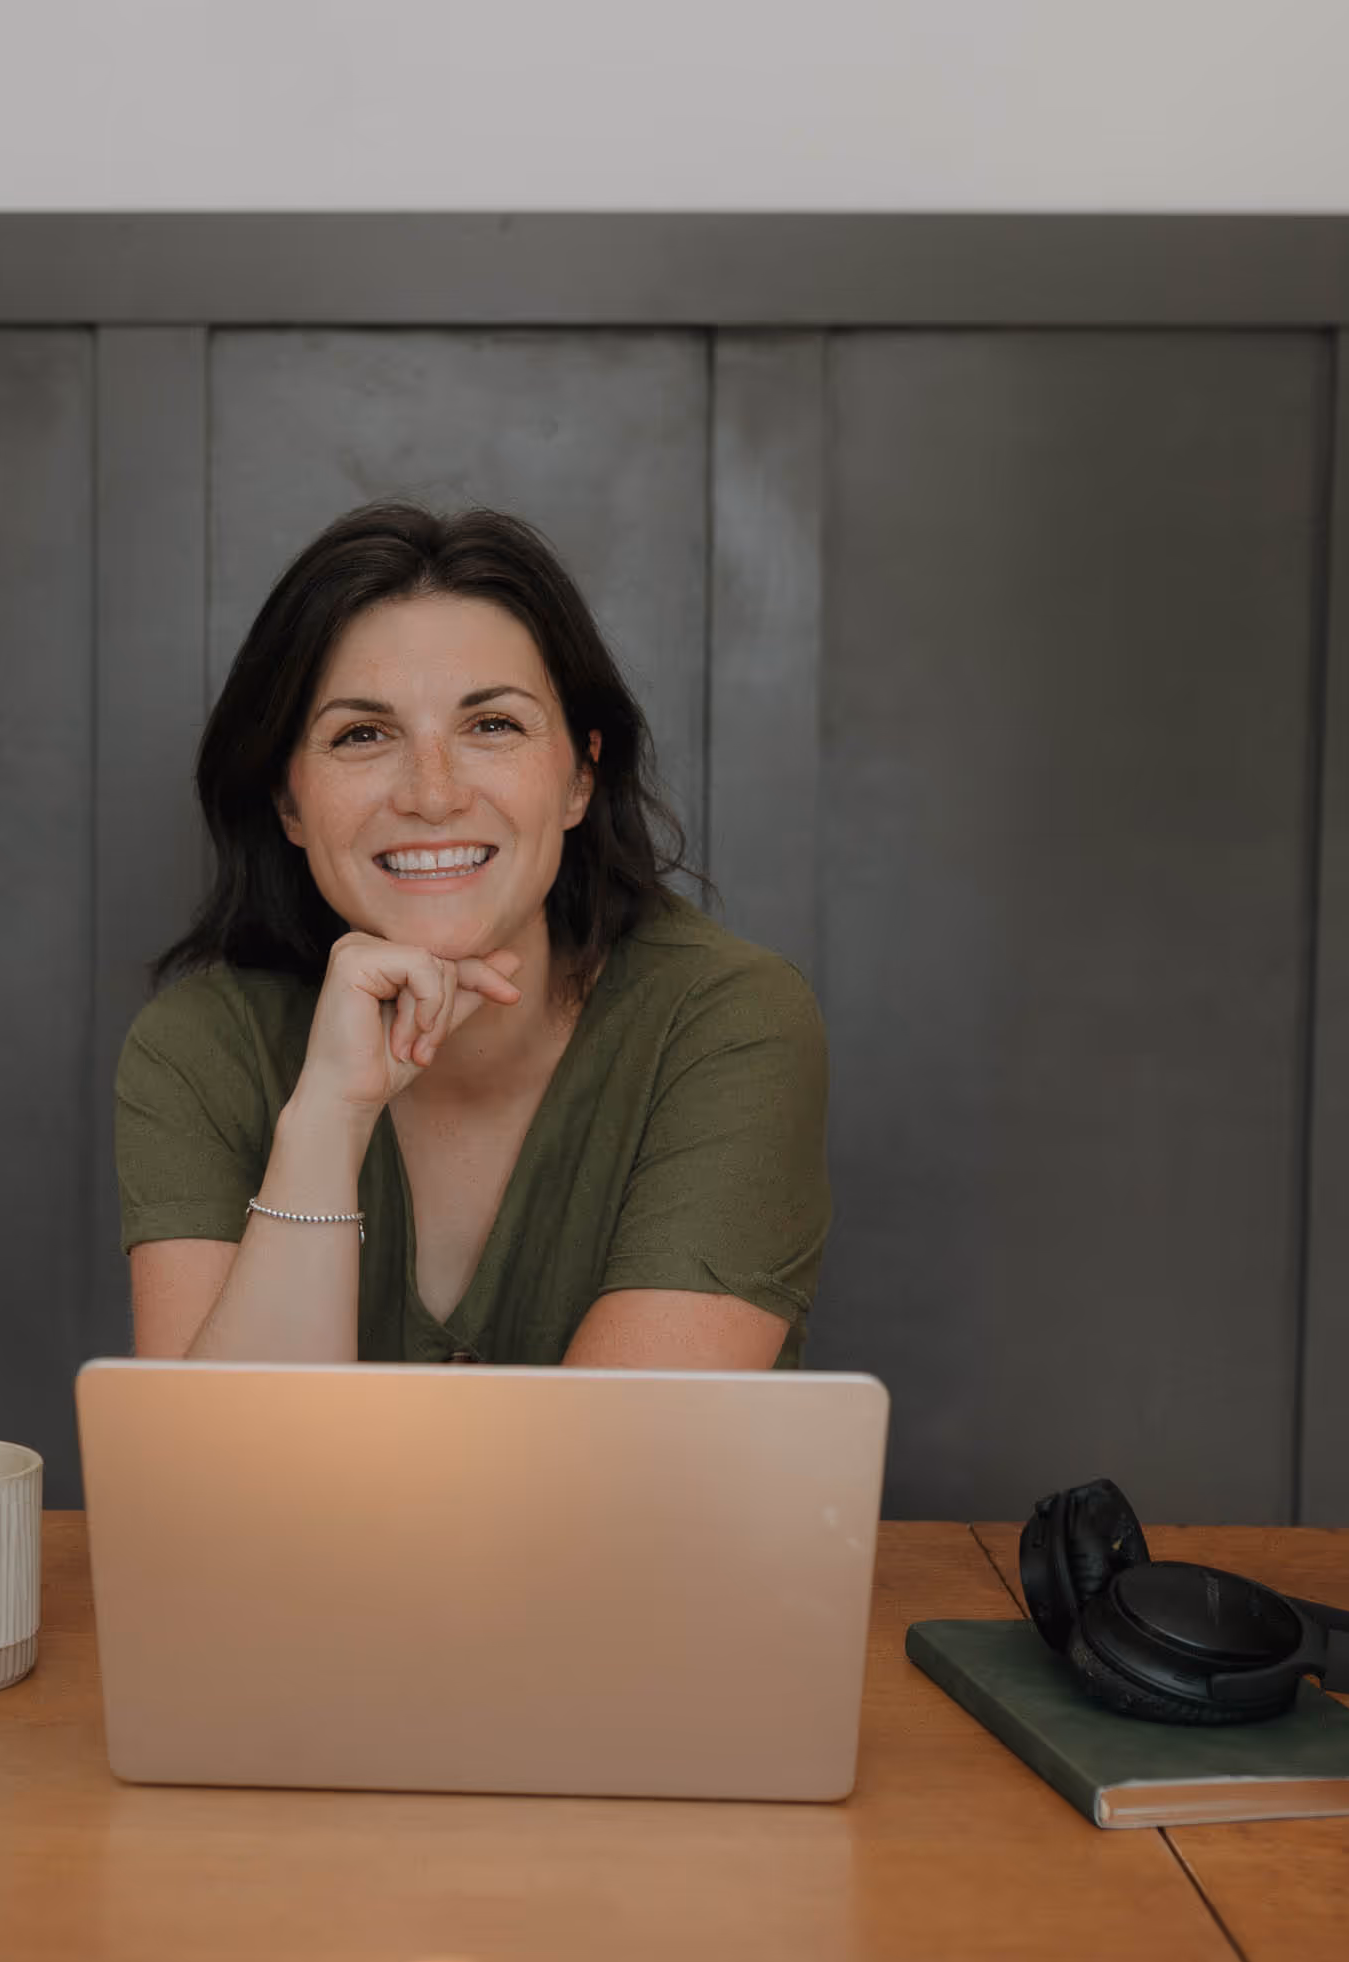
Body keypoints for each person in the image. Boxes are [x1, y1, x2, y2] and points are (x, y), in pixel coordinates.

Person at [115, 501, 829, 1369]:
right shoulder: (197, 1049)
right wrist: (327, 1123)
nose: (433, 792)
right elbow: (209, 1485)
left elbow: (625, 1468)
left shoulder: (727, 1023)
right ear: (288, 801)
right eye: (363, 733)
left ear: (579, 777)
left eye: (492, 725)